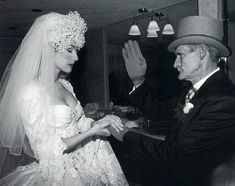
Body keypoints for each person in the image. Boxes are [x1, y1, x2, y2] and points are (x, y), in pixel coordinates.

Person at [0, 12, 128, 185]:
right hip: (58, 175)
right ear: (49, 50)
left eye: (76, 50)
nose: (75, 57)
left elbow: (81, 124)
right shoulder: (32, 92)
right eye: (69, 50)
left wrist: (100, 122)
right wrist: (91, 132)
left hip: (83, 165)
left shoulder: (66, 85)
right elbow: (44, 150)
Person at [119, 16, 235, 186]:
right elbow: (159, 111)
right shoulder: (192, 89)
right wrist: (138, 80)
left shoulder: (223, 100)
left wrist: (123, 134)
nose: (175, 64)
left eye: (180, 55)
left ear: (202, 52)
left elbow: (175, 155)